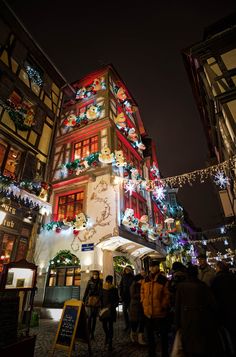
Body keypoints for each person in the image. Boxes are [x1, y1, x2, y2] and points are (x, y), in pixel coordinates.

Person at [174, 264, 222, 357]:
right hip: (201, 319)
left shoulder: (181, 286)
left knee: (188, 346)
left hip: (186, 320)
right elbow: (212, 304)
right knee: (200, 346)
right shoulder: (202, 286)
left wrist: (177, 324)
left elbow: (178, 305)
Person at [141, 260, 170, 357]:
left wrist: (163, 305)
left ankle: (164, 353)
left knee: (163, 336)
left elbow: (167, 295)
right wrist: (143, 302)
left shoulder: (163, 279)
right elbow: (142, 291)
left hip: (160, 313)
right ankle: (151, 353)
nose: (152, 268)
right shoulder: (146, 279)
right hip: (148, 312)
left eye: (154, 266)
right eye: (151, 267)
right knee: (150, 336)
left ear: (158, 267)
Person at [211, 261, 236, 355]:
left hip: (223, 309)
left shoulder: (216, 280)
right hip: (233, 307)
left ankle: (230, 350)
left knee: (227, 333)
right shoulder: (233, 277)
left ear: (219, 268)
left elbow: (213, 296)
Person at [100, 275, 119, 351]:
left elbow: (116, 299)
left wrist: (113, 305)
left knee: (108, 325)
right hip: (106, 309)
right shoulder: (103, 288)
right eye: (108, 280)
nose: (108, 282)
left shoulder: (114, 289)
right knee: (107, 325)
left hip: (109, 309)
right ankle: (108, 337)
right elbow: (101, 298)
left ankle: (110, 342)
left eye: (109, 281)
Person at [83, 270, 103, 340]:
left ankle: (92, 333)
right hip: (90, 300)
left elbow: (101, 291)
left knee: (94, 317)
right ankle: (88, 332)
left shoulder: (100, 282)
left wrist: (99, 299)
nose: (95, 275)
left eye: (96, 274)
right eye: (94, 274)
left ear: (98, 275)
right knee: (90, 317)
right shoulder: (90, 281)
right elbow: (86, 290)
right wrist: (84, 299)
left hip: (96, 300)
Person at [129, 273, 146, 345]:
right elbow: (133, 295)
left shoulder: (142, 285)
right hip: (135, 306)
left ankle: (140, 338)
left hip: (141, 306)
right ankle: (133, 336)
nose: (142, 280)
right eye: (141, 279)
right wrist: (142, 294)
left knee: (142, 322)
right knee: (135, 323)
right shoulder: (133, 285)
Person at [119, 265, 134, 331]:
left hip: (131, 297)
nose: (127, 271)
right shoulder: (123, 277)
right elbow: (121, 286)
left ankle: (132, 326)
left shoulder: (133, 277)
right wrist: (121, 294)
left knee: (131, 312)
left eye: (128, 270)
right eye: (126, 270)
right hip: (125, 297)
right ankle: (127, 325)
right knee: (125, 312)